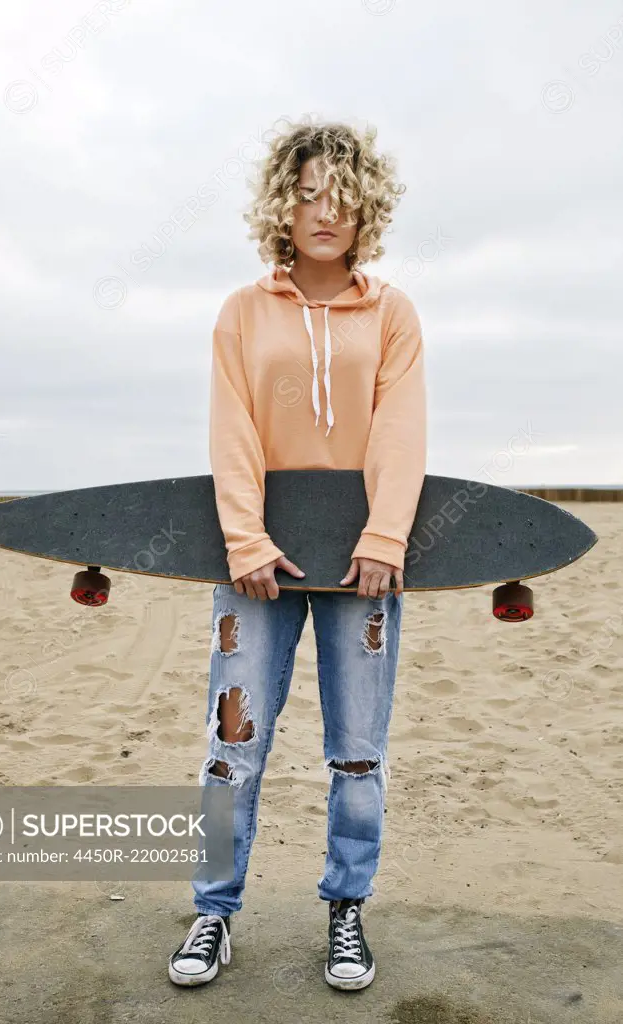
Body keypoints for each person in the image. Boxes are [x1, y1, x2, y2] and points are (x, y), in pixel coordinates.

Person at [168, 119, 427, 992]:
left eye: (341, 195)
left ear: (366, 208)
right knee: (230, 746)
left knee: (358, 752)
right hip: (258, 565)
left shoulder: (391, 312)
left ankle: (346, 912)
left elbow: (400, 427)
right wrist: (243, 535)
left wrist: (386, 532)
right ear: (283, 204)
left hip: (364, 567)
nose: (325, 210)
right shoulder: (244, 313)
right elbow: (231, 426)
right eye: (308, 192)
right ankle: (213, 910)